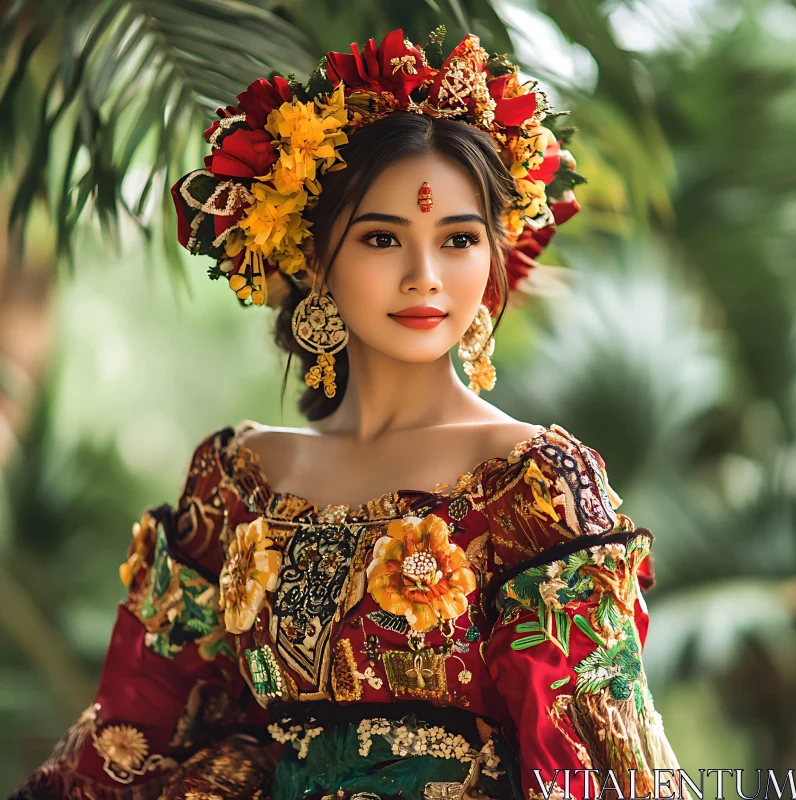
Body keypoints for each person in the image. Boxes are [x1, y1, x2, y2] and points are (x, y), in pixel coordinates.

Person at [10, 27, 685, 800]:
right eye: (381, 238)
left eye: (458, 239)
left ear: (494, 258)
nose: (424, 278)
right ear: (314, 260)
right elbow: (131, 739)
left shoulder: (534, 490)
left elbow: (593, 766)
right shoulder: (237, 482)